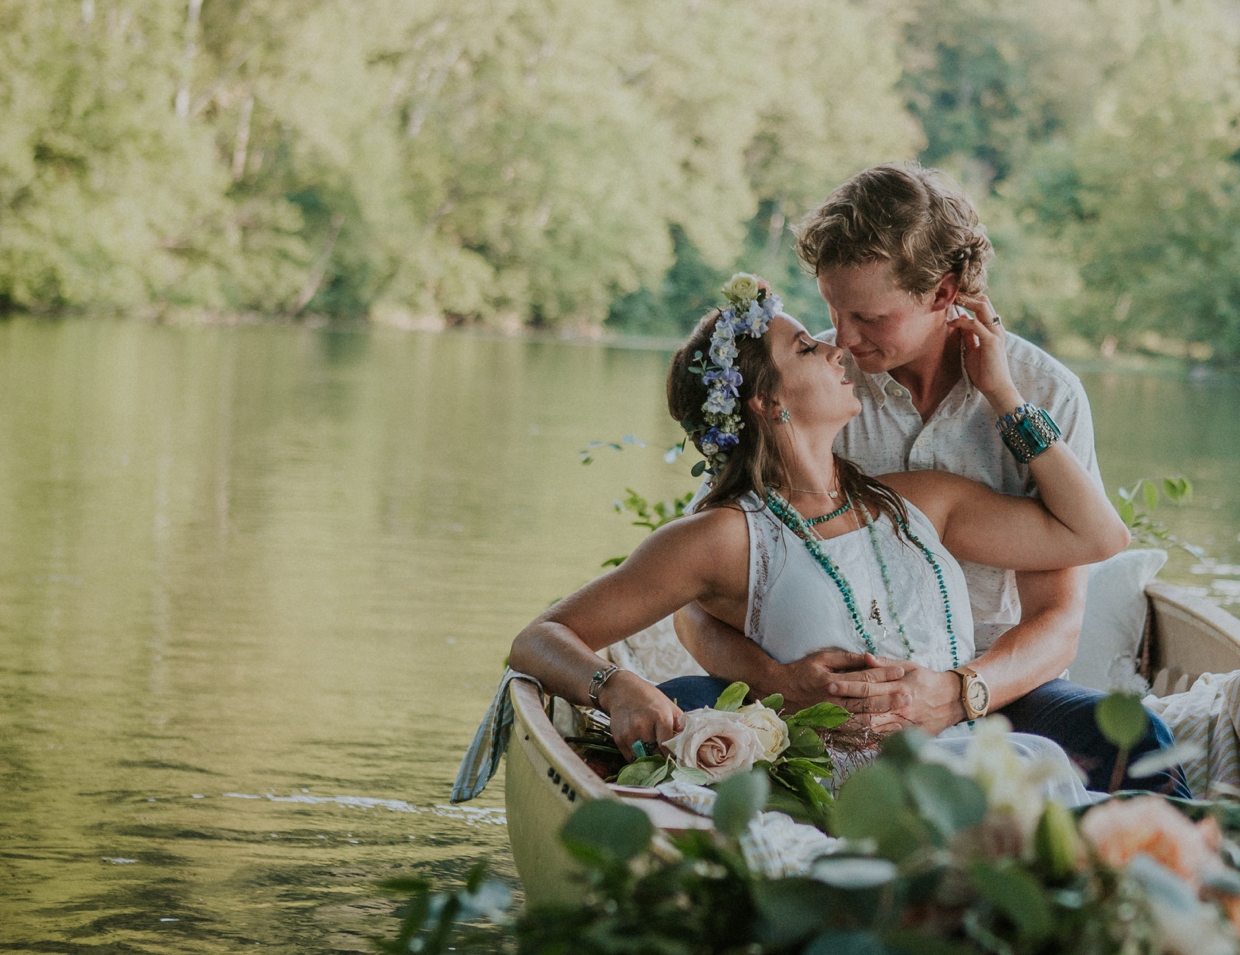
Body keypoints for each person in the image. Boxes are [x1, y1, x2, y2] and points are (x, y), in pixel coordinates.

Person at [670, 163, 1179, 794]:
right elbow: (693, 603)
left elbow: (1057, 619)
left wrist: (957, 694)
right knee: (679, 709)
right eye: (833, 309)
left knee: (1133, 737)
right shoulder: (807, 390)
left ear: (944, 293)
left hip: (997, 690)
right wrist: (784, 683)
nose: (845, 339)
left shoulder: (1047, 392)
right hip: (819, 696)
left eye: (870, 319)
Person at [505, 272, 1131, 784]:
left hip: (968, 750)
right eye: (808, 347)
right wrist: (617, 687)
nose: (839, 348)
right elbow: (540, 638)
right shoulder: (724, 536)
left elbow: (1098, 537)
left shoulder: (918, 503)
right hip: (841, 779)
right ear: (768, 402)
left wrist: (1005, 396)